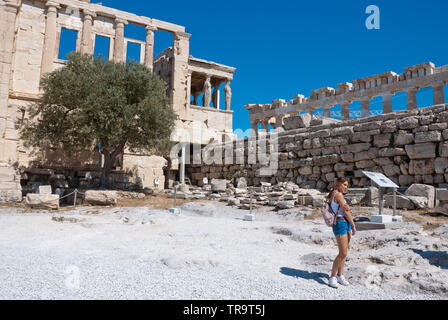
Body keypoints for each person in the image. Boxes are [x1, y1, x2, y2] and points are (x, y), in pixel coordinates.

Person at [327, 178, 357, 288]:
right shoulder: (338, 195)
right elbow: (346, 211)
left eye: (347, 185)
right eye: (344, 185)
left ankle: (340, 275)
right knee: (342, 253)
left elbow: (344, 208)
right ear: (338, 184)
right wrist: (353, 225)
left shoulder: (335, 194)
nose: (346, 187)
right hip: (340, 223)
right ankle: (332, 277)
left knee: (344, 252)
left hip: (344, 222)